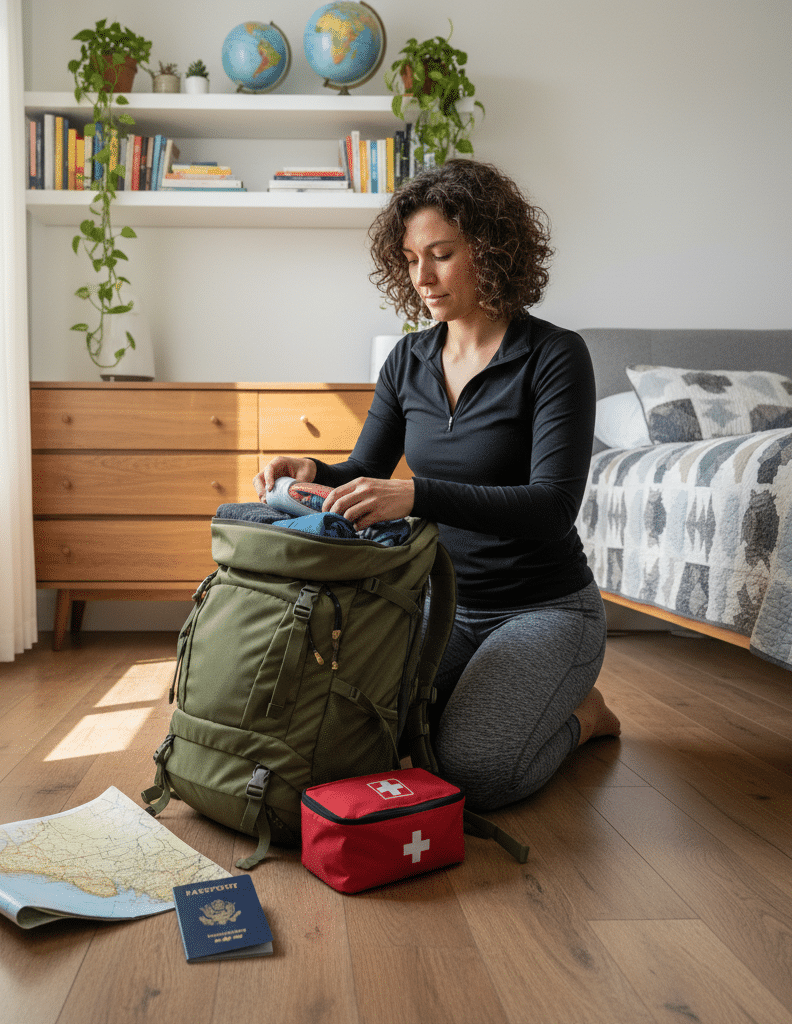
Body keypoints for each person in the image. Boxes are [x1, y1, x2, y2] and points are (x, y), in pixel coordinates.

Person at [254, 158, 619, 812]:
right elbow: (365, 467)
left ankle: (586, 716)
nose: (422, 277)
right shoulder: (409, 360)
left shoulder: (554, 357)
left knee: (476, 774)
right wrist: (312, 472)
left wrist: (418, 495)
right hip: (440, 605)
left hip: (544, 608)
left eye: (441, 255)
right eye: (410, 258)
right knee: (352, 739)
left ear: (493, 248)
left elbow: (553, 505)